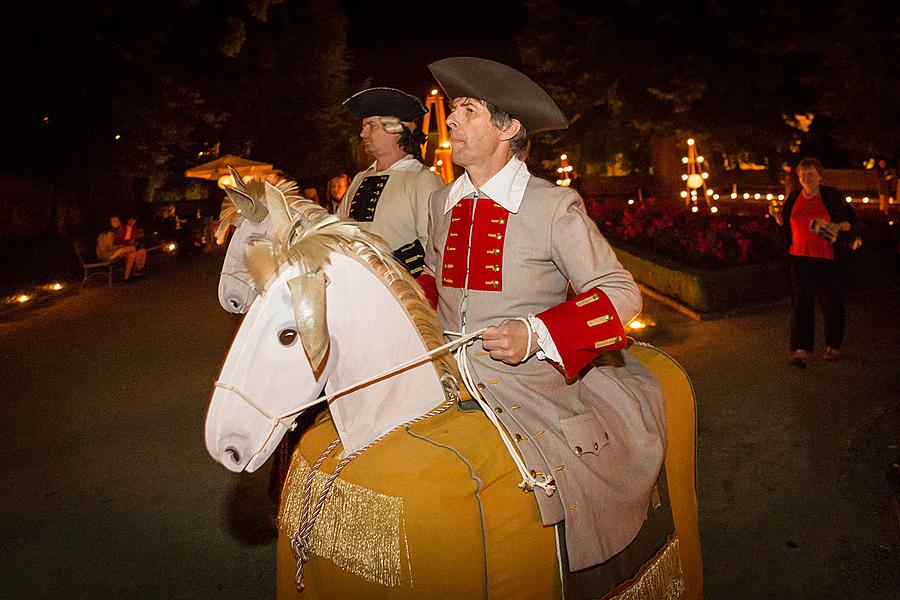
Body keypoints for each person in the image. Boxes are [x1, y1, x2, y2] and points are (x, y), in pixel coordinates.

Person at [420, 57, 668, 593]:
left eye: (467, 110)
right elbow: (436, 288)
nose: (452, 121)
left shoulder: (554, 206)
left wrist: (536, 334)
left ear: (509, 128)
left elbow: (622, 294)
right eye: (453, 109)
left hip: (533, 387)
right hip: (441, 380)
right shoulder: (442, 202)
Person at [339, 87, 444, 276]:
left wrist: (384, 271)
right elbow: (338, 230)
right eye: (363, 126)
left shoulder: (422, 180)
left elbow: (432, 245)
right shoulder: (359, 179)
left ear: (396, 130)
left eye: (371, 125)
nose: (363, 133)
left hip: (402, 296)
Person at [769, 157, 857, 368]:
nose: (806, 178)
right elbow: (787, 222)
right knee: (801, 303)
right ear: (798, 177)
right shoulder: (793, 197)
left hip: (827, 259)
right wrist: (778, 217)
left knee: (832, 303)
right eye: (802, 175)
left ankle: (833, 345)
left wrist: (837, 226)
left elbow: (851, 221)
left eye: (810, 174)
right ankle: (800, 349)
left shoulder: (831, 196)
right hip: (799, 258)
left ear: (819, 175)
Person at [98, 216, 147, 280]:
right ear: (109, 223)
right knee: (132, 248)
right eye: (114, 221)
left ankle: (127, 277)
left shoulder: (112, 233)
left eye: (118, 221)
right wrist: (121, 246)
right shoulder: (107, 234)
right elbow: (107, 248)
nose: (118, 223)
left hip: (112, 252)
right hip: (107, 255)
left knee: (132, 254)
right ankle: (137, 269)